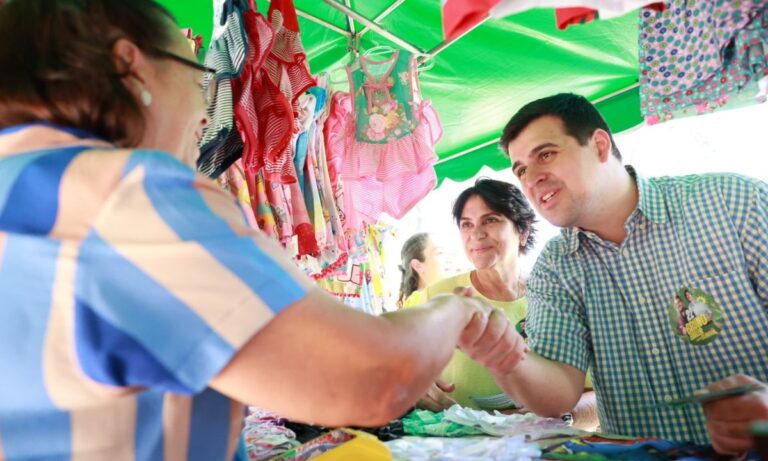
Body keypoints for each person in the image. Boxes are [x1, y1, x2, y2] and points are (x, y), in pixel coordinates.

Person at [0, 1, 527, 459]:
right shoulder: (129, 192)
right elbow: (368, 377)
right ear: (130, 67)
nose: (207, 113)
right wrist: (452, 309)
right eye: (197, 73)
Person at [496, 92, 768, 454]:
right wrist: (498, 350)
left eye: (545, 154)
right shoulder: (555, 267)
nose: (532, 178)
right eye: (521, 170)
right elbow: (557, 397)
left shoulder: (732, 203)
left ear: (599, 145)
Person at [411, 179, 598, 430]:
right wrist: (414, 385)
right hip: (460, 447)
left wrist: (555, 417)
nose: (476, 234)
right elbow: (394, 369)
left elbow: (596, 396)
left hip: (540, 450)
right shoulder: (437, 297)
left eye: (491, 220)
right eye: (467, 224)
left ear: (523, 230)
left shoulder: (558, 298)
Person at [397, 232, 444, 308]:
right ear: (418, 266)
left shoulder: (431, 297)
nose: (447, 259)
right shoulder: (421, 303)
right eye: (439, 253)